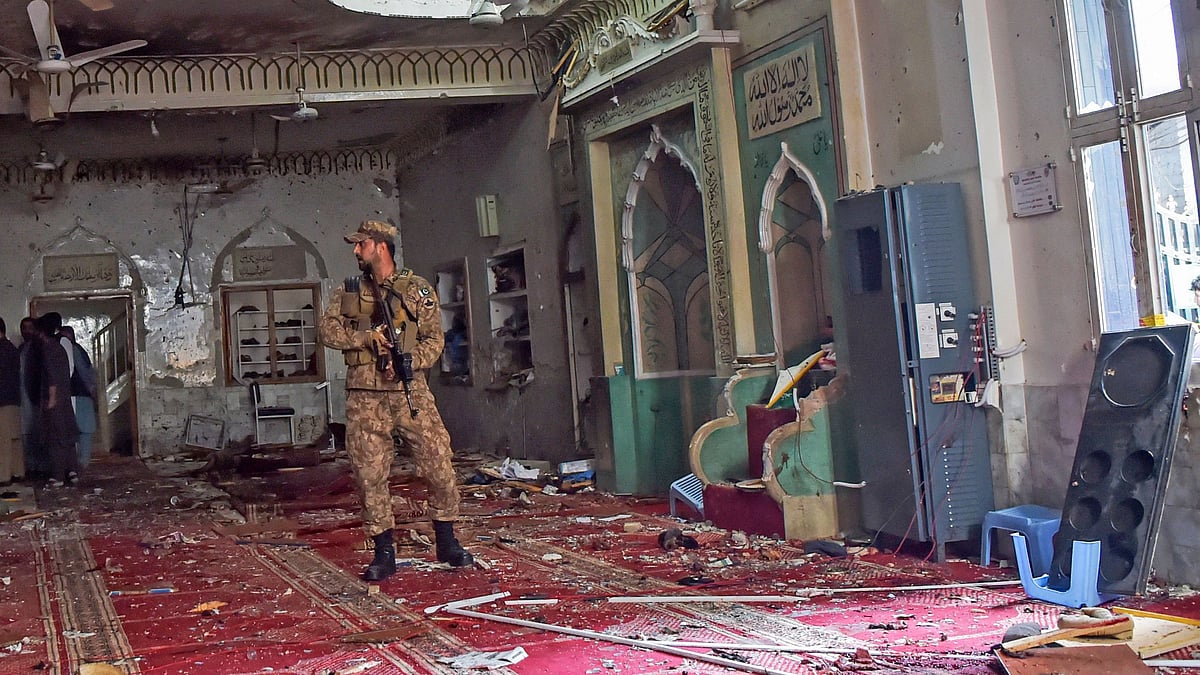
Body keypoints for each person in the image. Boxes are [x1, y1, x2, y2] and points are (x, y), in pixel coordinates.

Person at [318, 219, 473, 580]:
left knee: (439, 464)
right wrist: (365, 338)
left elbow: (434, 340)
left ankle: (447, 539)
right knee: (370, 476)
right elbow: (327, 330)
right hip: (365, 397)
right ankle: (383, 551)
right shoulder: (350, 290)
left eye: (362, 244)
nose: (356, 251)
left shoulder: (417, 290)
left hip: (409, 392)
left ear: (381, 246)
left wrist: (410, 360)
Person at [30, 314, 79, 485]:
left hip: (55, 399)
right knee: (67, 436)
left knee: (55, 438)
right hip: (64, 398)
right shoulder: (60, 347)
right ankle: (73, 472)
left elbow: (52, 377)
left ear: (42, 331)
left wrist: (50, 400)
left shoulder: (49, 349)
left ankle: (57, 476)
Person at [60, 325, 98, 471]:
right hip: (81, 394)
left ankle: (80, 463)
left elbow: (83, 373)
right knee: (85, 430)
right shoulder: (78, 349)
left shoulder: (73, 350)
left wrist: (91, 389)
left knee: (82, 430)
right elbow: (87, 372)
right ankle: (82, 462)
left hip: (78, 394)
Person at [17, 317, 44, 478]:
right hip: (22, 397)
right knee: (26, 434)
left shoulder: (38, 349)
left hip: (35, 396)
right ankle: (31, 467)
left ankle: (40, 467)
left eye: (29, 327)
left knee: (38, 432)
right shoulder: (20, 348)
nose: (26, 331)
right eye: (24, 328)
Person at [0, 317, 24, 485]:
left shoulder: (1, 349)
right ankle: (18, 471)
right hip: (14, 398)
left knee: (3, 440)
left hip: (2, 399)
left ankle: (3, 476)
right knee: (14, 439)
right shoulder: (12, 349)